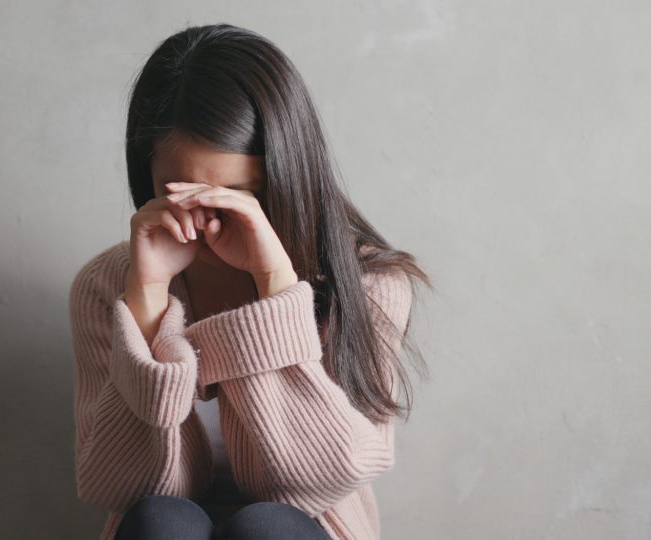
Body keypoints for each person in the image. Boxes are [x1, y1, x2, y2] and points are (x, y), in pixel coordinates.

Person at [69, 23, 432, 540]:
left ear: (289, 174)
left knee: (268, 528)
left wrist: (275, 286)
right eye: (185, 196)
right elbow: (120, 488)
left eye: (244, 196)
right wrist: (146, 301)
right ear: (145, 178)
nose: (215, 222)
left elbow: (325, 478)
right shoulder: (105, 287)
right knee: (160, 521)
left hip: (301, 527)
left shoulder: (369, 285)